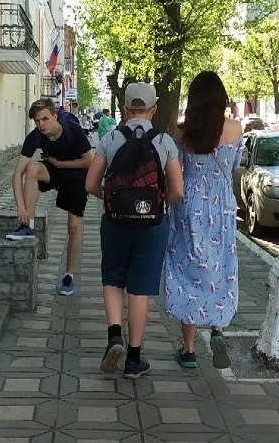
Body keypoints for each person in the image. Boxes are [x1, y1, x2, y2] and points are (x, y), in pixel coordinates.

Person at [85, 82, 184, 379]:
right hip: (152, 225)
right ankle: (133, 359)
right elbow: (177, 190)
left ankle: (114, 336)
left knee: (113, 278)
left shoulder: (110, 138)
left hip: (115, 222)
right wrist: (157, 205)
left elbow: (90, 184)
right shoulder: (165, 141)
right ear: (154, 108)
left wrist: (114, 201)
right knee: (140, 288)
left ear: (125, 109)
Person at [164, 71, 244, 370]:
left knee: (185, 269)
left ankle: (188, 351)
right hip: (222, 205)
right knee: (220, 264)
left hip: (189, 205)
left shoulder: (182, 132)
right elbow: (234, 165)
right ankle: (218, 330)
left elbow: (177, 171)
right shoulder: (235, 128)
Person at [7, 97, 93, 296]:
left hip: (76, 173)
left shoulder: (73, 130)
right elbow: (17, 174)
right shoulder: (35, 137)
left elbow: (88, 161)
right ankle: (28, 226)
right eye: (37, 121)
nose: (41, 124)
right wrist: (21, 207)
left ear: (55, 116)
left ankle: (69, 276)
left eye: (45, 119)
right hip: (53, 169)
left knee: (73, 226)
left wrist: (59, 163)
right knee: (32, 168)